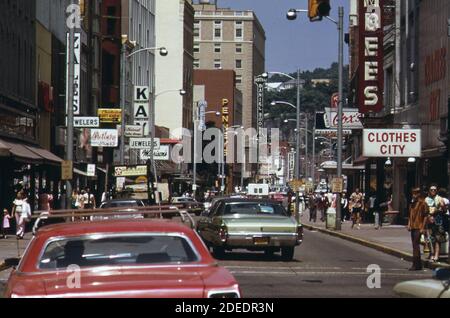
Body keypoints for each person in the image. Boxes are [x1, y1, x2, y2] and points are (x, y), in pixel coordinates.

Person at [407, 188, 428, 271]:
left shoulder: (422, 203)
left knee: (416, 245)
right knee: (414, 245)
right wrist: (409, 224)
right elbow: (410, 215)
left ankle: (415, 264)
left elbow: (426, 215)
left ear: (419, 194)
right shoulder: (412, 204)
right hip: (413, 226)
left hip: (419, 226)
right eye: (413, 193)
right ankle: (418, 264)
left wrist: (423, 227)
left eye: (415, 193)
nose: (414, 195)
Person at [425, 184, 446, 262]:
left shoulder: (440, 199)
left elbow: (444, 210)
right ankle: (432, 253)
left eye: (434, 190)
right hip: (429, 220)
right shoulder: (426, 199)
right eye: (431, 190)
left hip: (438, 220)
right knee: (431, 238)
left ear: (436, 191)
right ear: (429, 191)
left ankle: (437, 255)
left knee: (438, 238)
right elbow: (424, 211)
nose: (433, 191)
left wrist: (442, 206)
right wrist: (428, 217)